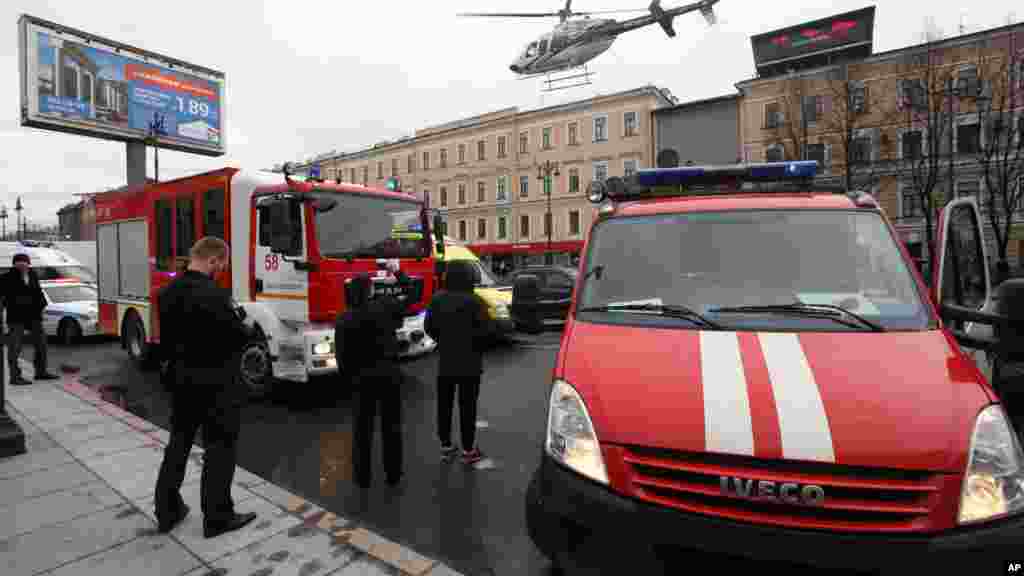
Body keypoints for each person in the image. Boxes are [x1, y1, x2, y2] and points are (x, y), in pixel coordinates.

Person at [153, 236, 258, 538]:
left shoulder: (167, 293)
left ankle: (167, 509)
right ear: (213, 260)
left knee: (178, 445)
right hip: (216, 385)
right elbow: (238, 336)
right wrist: (246, 326)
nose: (221, 270)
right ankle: (217, 517)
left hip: (181, 381)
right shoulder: (216, 294)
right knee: (219, 449)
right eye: (221, 265)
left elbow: (169, 340)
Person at [335, 262, 413, 488]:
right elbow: (411, 293)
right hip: (389, 374)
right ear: (370, 291)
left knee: (362, 430)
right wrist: (397, 272)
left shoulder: (344, 319)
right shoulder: (385, 307)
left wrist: (349, 381)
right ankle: (393, 474)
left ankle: (362, 477)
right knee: (392, 426)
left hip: (360, 379)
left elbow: (342, 358)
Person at [424, 260, 490, 465]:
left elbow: (429, 327)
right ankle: (468, 450)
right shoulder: (475, 301)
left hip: (446, 362)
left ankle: (446, 446)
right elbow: (485, 332)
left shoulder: (437, 300)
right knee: (467, 407)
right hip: (470, 363)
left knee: (444, 405)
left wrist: (443, 340)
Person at [1, 253, 58, 385]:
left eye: (24, 262)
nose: (22, 264)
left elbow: (38, 293)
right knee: (14, 347)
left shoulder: (33, 275)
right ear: (14, 264)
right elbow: (4, 298)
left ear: (28, 263)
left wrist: (42, 305)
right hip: (16, 317)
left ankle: (41, 372)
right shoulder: (6, 277)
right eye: (19, 262)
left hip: (34, 316)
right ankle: (15, 377)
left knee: (41, 345)